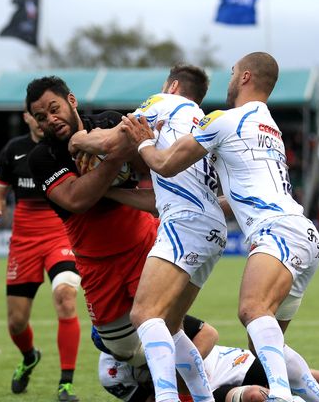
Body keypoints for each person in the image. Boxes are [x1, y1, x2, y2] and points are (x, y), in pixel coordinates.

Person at [121, 52, 319, 402]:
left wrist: (143, 141)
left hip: (276, 232)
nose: (229, 80)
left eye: (232, 73)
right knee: (265, 342)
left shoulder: (224, 120)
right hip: (304, 235)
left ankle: (280, 395)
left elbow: (167, 165)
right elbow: (234, 196)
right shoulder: (269, 128)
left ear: (245, 77)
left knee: (251, 310)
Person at [70, 64, 224, 402]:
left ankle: (166, 398)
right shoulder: (203, 123)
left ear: (171, 86)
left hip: (184, 223)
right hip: (213, 229)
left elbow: (111, 142)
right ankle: (204, 399)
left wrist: (78, 139)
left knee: (144, 315)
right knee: (170, 325)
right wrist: (108, 192)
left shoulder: (163, 103)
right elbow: (158, 197)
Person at [25, 76, 160, 375]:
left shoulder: (109, 121)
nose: (51, 119)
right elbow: (76, 199)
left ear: (71, 100)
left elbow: (147, 161)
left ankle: (213, 366)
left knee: (162, 328)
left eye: (54, 108)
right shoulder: (41, 158)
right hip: (96, 261)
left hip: (142, 242)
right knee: (124, 351)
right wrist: (111, 157)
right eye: (41, 117)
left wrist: (101, 143)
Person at [0, 110, 81, 400]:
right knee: (16, 322)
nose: (43, 120)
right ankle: (29, 357)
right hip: (24, 242)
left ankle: (65, 384)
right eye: (37, 114)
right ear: (27, 117)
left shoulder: (69, 145)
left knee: (65, 296)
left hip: (60, 234)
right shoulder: (14, 150)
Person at [96, 323, 319, 402]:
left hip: (229, 363)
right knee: (254, 396)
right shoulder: (110, 373)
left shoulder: (149, 324)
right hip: (205, 395)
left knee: (306, 374)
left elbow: (208, 334)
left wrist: (181, 366)